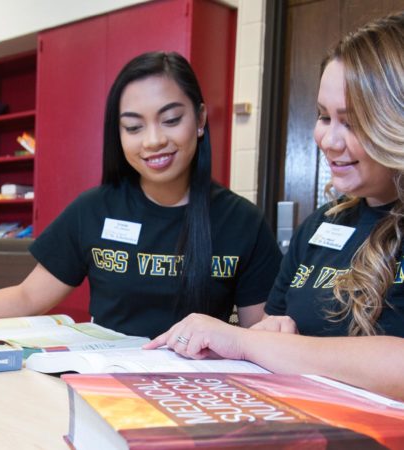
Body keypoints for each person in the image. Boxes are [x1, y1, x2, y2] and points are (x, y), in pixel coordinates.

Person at [145, 13, 404, 400]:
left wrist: (249, 343)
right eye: (322, 116)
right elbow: (272, 329)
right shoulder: (320, 226)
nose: (328, 140)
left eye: (352, 123)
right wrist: (270, 332)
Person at [0, 51, 282, 339]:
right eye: (134, 127)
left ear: (199, 119)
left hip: (197, 391)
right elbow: (26, 298)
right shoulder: (94, 210)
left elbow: (257, 336)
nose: (153, 140)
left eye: (170, 119)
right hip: (106, 383)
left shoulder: (242, 221)